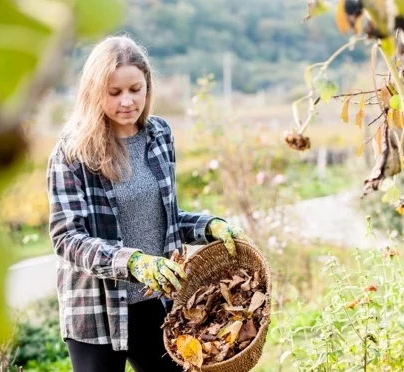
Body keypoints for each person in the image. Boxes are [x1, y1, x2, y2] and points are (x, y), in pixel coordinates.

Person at [46, 34, 254, 372]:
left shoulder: (159, 135)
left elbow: (166, 218)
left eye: (135, 89)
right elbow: (66, 239)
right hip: (97, 311)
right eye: (114, 93)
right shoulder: (72, 153)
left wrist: (209, 226)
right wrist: (135, 263)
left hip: (154, 302)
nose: (127, 101)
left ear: (148, 86)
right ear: (93, 92)